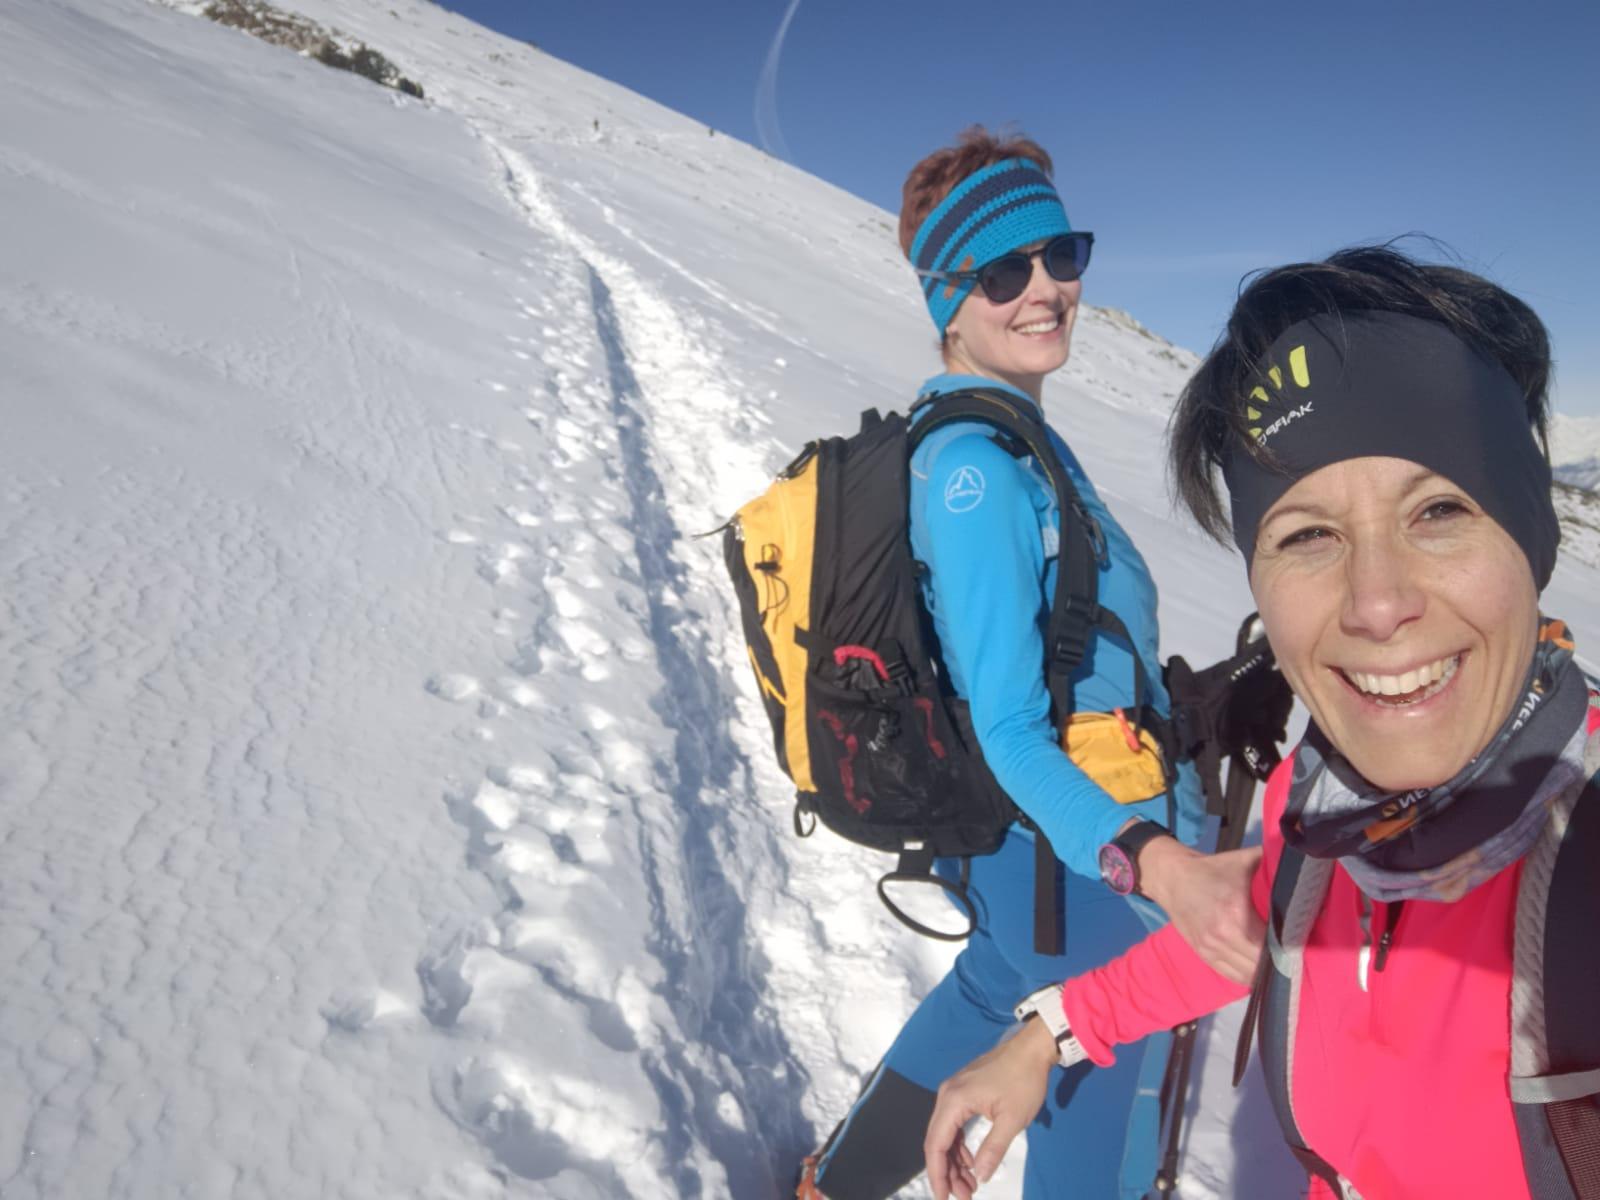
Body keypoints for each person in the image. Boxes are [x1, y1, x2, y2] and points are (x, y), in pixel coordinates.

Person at [923, 245, 1600, 1200]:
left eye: (1440, 510)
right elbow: (1265, 924)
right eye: (1308, 535)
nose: (1376, 603)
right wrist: (1052, 1032)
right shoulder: (1324, 799)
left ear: (1531, 535)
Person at [799, 128, 1263, 1200]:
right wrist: (1151, 860)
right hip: (1066, 844)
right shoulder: (974, 469)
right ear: (947, 301)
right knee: (1087, 1081)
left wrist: (1199, 702)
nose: (1045, 288)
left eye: (1062, 254)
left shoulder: (1017, 439)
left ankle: (837, 1183)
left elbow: (1073, 651)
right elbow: (1008, 725)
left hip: (1049, 846)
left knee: (991, 987)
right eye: (1004, 271)